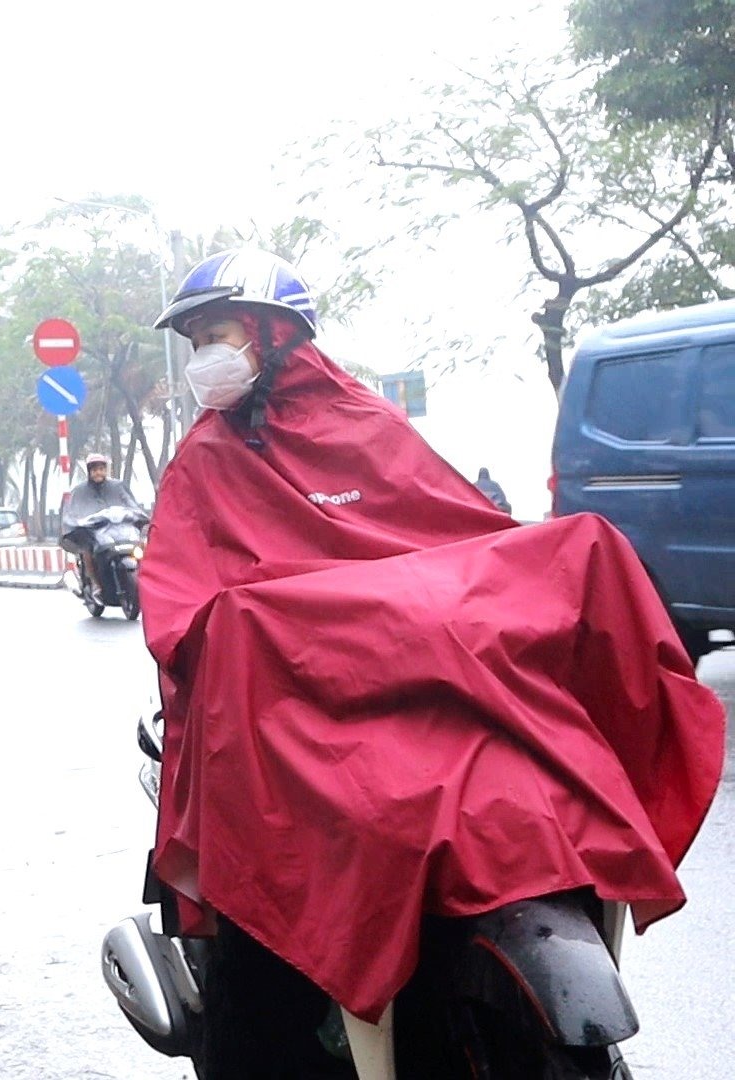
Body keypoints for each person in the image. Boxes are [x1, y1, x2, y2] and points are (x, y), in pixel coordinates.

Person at [136, 249, 722, 1073]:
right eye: (195, 341)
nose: (205, 359)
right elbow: (187, 607)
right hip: (301, 712)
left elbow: (458, 539)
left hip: (426, 696)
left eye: (217, 335)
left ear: (273, 335)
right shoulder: (205, 461)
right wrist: (270, 624)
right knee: (256, 977)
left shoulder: (369, 426)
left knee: (549, 750)